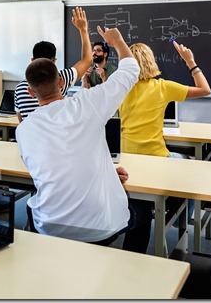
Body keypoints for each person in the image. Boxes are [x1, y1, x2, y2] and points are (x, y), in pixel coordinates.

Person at [16, 25, 151, 253]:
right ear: (61, 82)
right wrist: (117, 41)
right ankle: (131, 269)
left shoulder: (24, 129)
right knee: (143, 213)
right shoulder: (87, 103)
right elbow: (130, 70)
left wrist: (105, 170)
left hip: (49, 225)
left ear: (30, 92)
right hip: (98, 228)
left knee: (32, 205)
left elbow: (54, 169)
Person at [118, 41, 211, 221]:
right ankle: (183, 219)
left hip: (125, 157)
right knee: (190, 164)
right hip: (155, 156)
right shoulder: (163, 87)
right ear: (151, 61)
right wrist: (190, 62)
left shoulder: (120, 89)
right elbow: (205, 89)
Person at [14, 7, 92, 122]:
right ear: (54, 61)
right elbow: (87, 59)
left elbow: (21, 120)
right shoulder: (61, 78)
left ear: (32, 60)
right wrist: (83, 30)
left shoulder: (19, 88)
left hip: (32, 138)